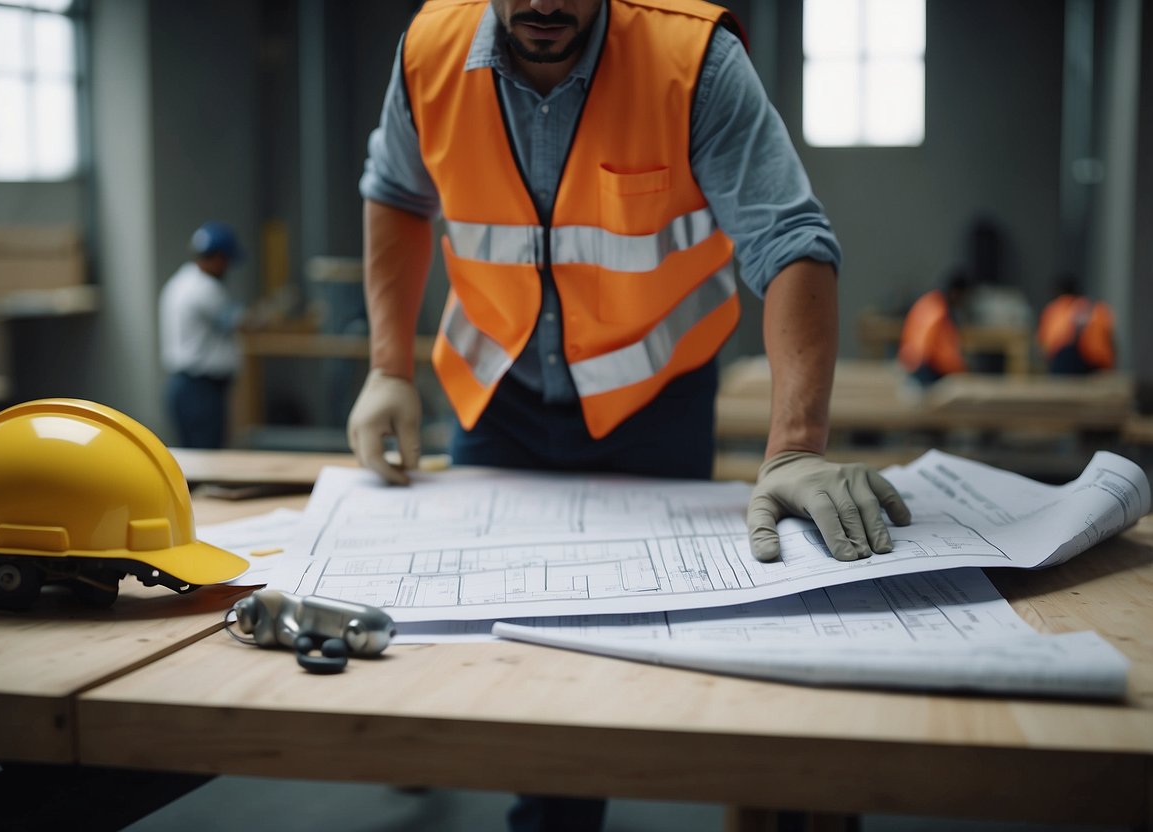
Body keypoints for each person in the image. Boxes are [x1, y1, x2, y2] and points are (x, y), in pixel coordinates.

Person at [349, 1, 912, 827]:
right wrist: (386, 368)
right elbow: (395, 191)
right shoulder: (429, 52)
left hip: (652, 397)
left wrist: (794, 447)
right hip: (497, 394)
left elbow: (789, 240)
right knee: (510, 647)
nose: (545, 5)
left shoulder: (693, 62)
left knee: (649, 635)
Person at [158, 221, 245, 449]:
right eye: (225, 261)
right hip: (200, 390)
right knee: (207, 461)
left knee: (194, 462)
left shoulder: (180, 281)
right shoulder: (204, 288)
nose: (226, 267)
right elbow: (240, 322)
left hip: (185, 386)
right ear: (216, 258)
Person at [898, 272, 969, 386]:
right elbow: (938, 352)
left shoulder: (931, 302)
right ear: (956, 293)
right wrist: (960, 369)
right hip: (922, 370)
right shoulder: (938, 312)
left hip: (912, 364)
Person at [1037, 275, 1116, 374]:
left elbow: (1046, 343)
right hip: (1099, 363)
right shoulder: (1097, 308)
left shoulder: (1056, 310)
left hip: (1069, 363)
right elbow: (1110, 340)